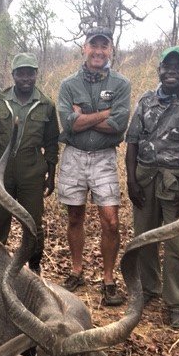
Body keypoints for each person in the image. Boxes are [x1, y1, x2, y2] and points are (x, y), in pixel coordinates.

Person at [125, 46, 179, 328]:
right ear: (159, 70)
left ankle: (176, 303)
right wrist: (131, 179)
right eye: (167, 66)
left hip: (177, 181)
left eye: (178, 66)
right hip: (145, 176)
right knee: (144, 238)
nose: (171, 71)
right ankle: (149, 290)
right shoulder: (146, 100)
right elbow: (132, 142)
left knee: (177, 244)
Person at [57, 26, 131, 305]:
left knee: (110, 220)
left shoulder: (121, 84)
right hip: (74, 156)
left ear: (110, 49)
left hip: (104, 158)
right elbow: (69, 124)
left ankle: (109, 279)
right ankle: (77, 271)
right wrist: (104, 114)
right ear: (84, 48)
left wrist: (84, 117)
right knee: (75, 216)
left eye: (104, 46)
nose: (98, 51)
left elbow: (118, 125)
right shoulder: (68, 84)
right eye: (93, 45)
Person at [0, 52, 59, 275]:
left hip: (31, 172)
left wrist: (51, 174)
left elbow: (52, 142)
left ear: (36, 74)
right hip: (3, 171)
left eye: (30, 73)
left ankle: (34, 266)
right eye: (21, 74)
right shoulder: (0, 101)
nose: (26, 78)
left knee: (33, 222)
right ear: (13, 75)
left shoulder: (46, 104)